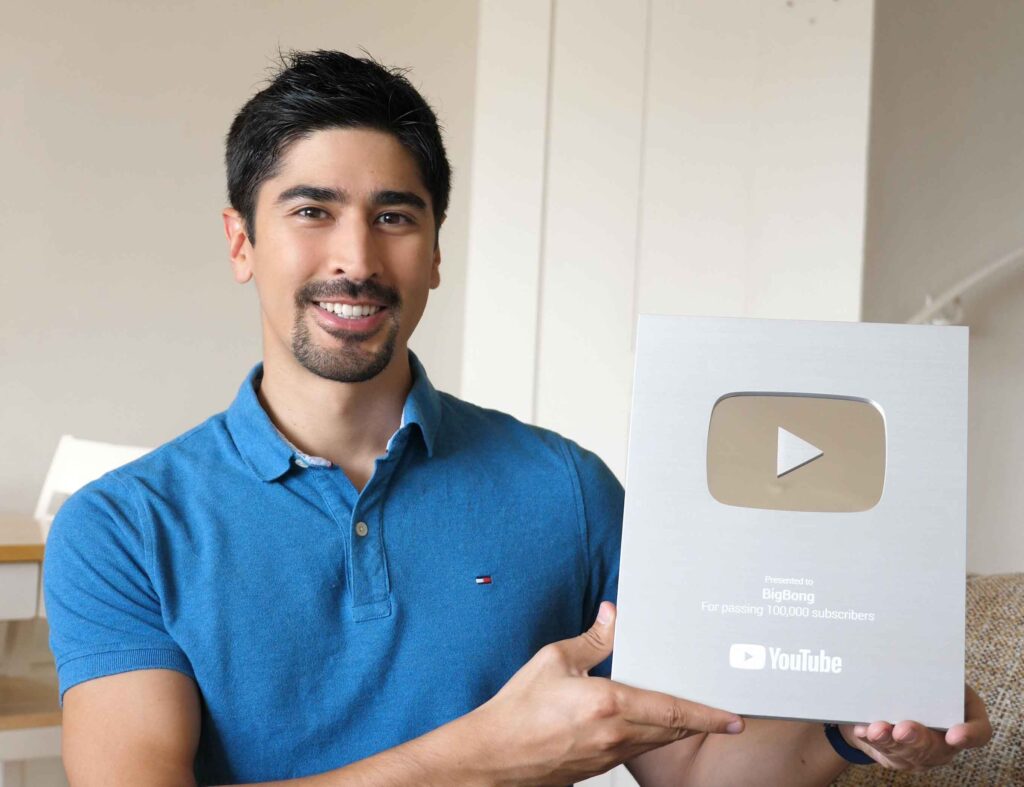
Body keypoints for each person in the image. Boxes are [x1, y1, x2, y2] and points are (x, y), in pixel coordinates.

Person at [44, 50, 991, 786]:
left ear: (436, 253)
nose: (355, 258)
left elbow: (699, 760)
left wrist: (851, 734)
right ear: (241, 241)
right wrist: (477, 757)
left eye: (395, 216)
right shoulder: (123, 527)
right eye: (311, 211)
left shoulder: (568, 489)